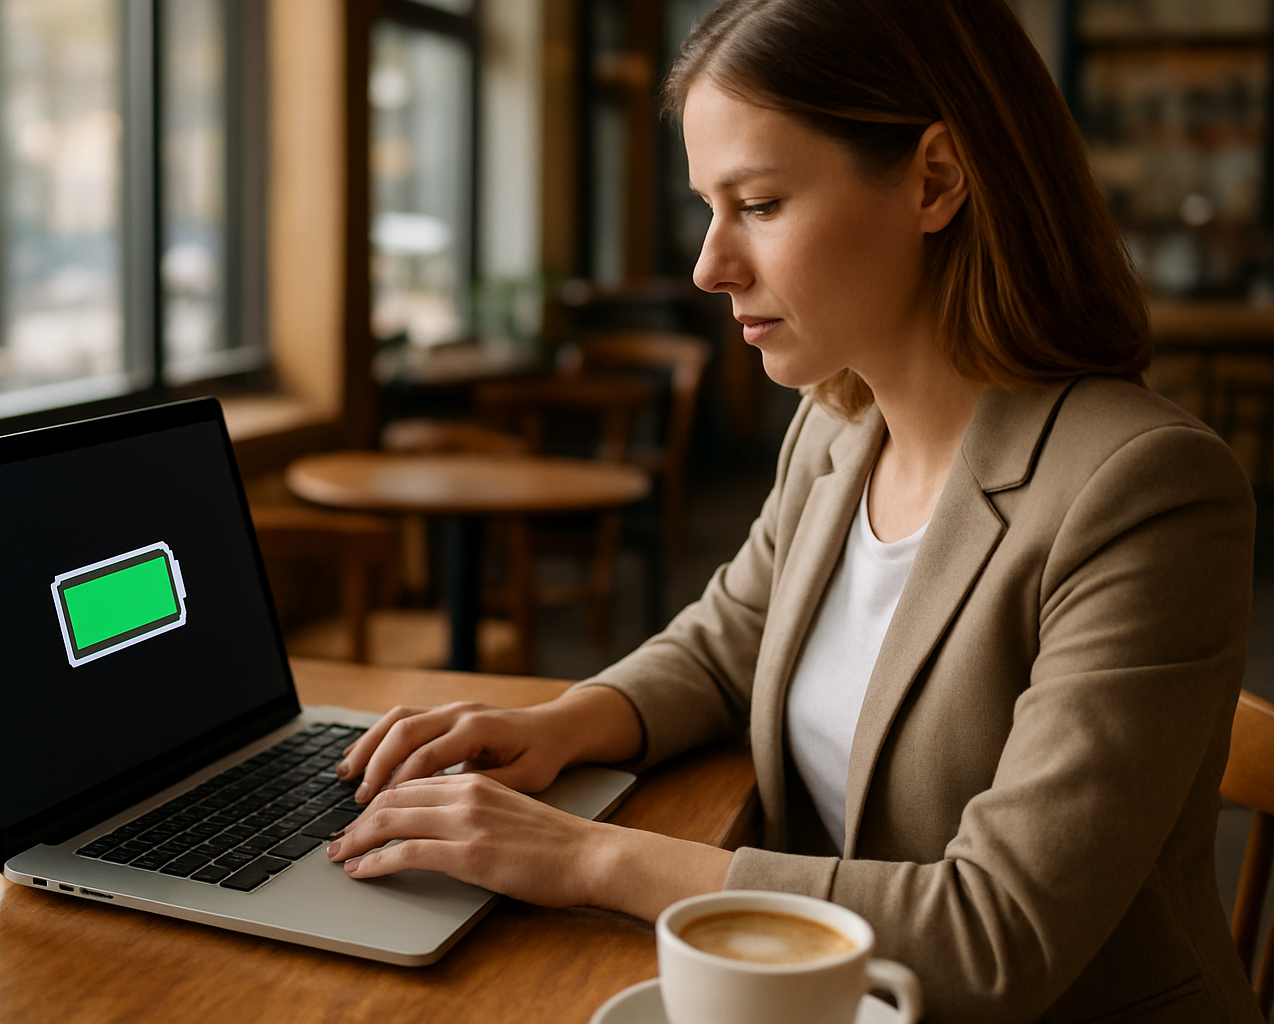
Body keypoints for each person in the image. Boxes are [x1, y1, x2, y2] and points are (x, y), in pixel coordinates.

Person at [325, 0, 1260, 1019]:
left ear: (934, 181)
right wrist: (556, 724)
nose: (710, 265)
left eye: (759, 204)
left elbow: (996, 933)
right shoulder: (837, 426)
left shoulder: (1145, 489)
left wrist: (587, 855)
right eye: (709, 209)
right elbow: (732, 640)